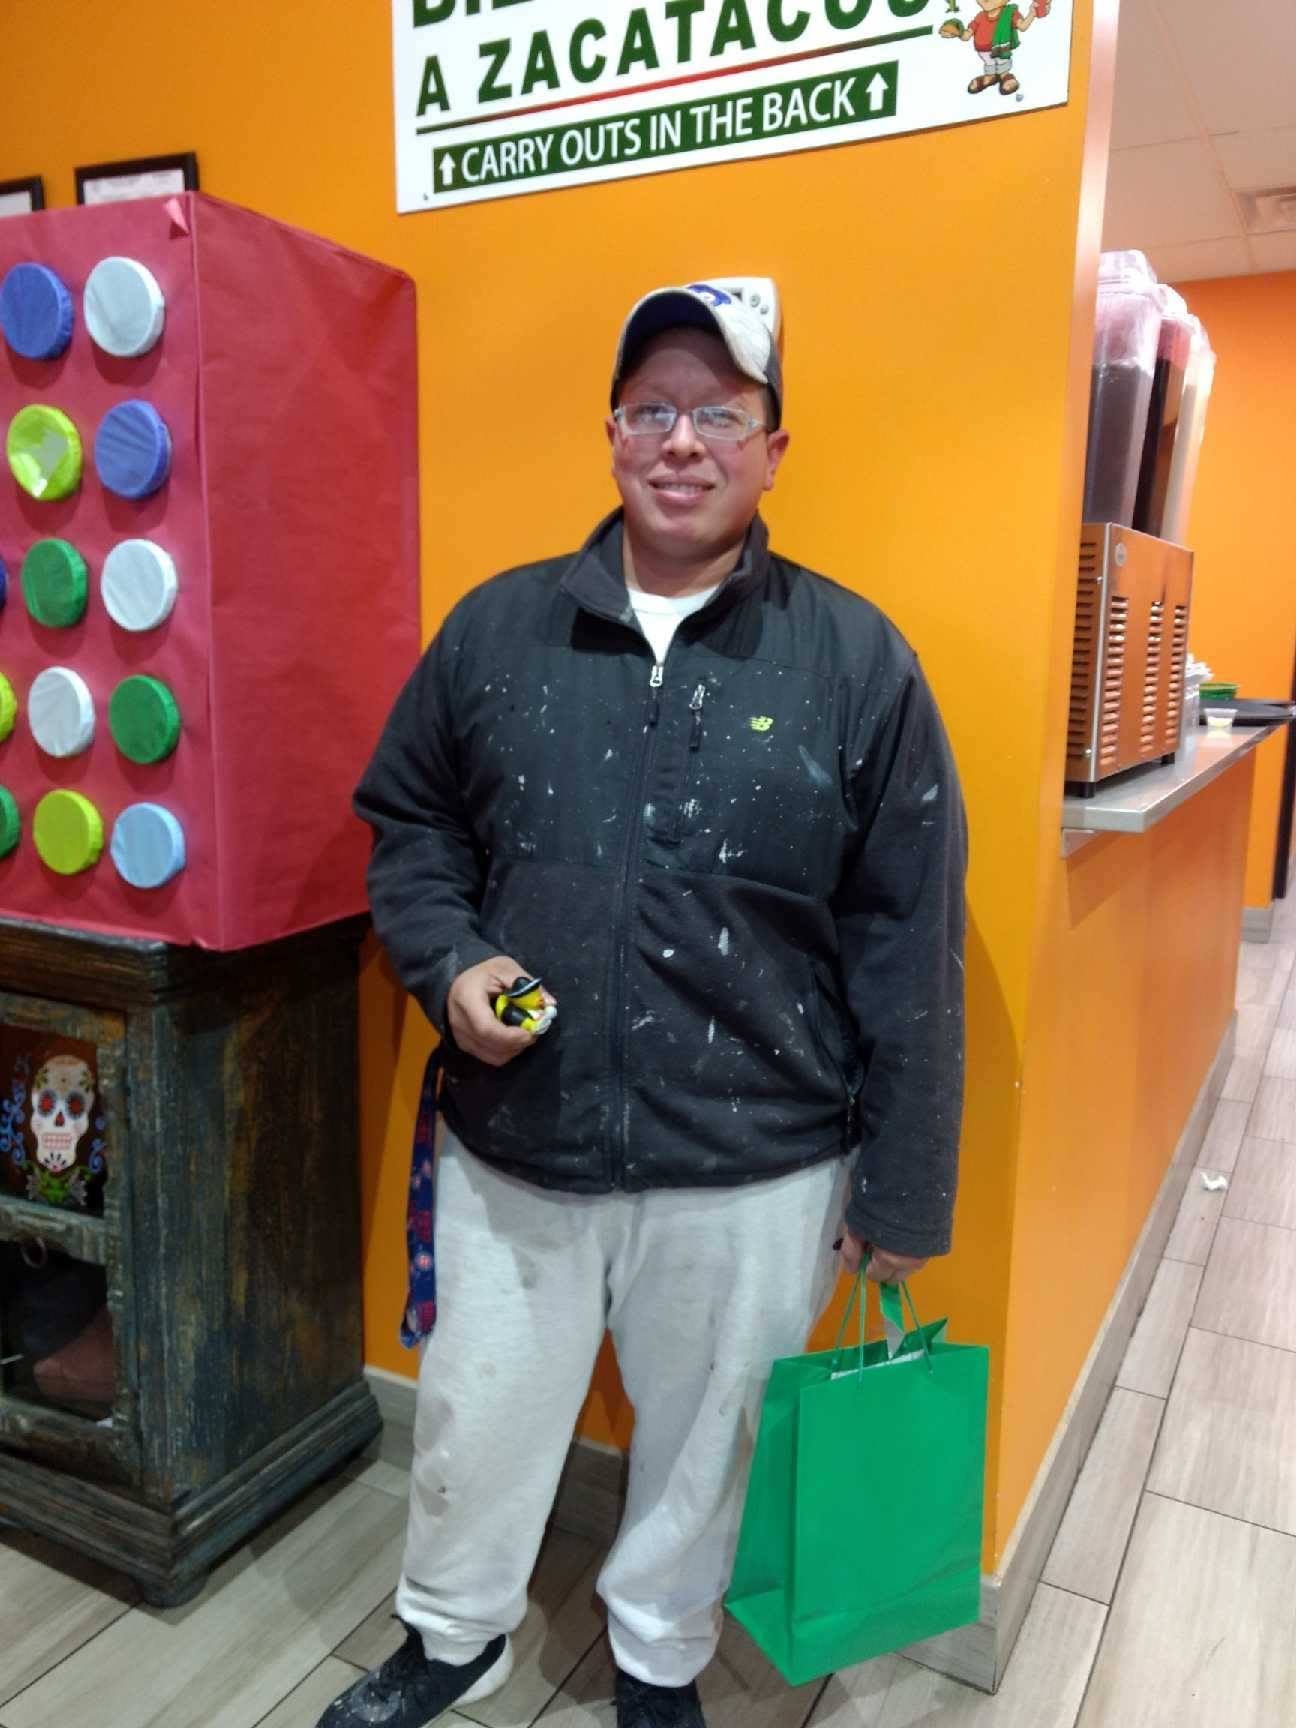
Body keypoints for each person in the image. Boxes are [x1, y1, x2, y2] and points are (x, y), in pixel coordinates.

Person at [319, 282, 967, 1728]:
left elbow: (907, 938)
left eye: (719, 414)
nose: (683, 442)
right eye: (653, 410)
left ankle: (660, 1659)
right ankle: (453, 1636)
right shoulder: (496, 631)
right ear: (612, 433)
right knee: (475, 1422)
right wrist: (448, 960)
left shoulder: (857, 661)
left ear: (773, 450)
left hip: (758, 1165)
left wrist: (904, 1186)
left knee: (705, 1446)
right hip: (517, 1140)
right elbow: (411, 826)